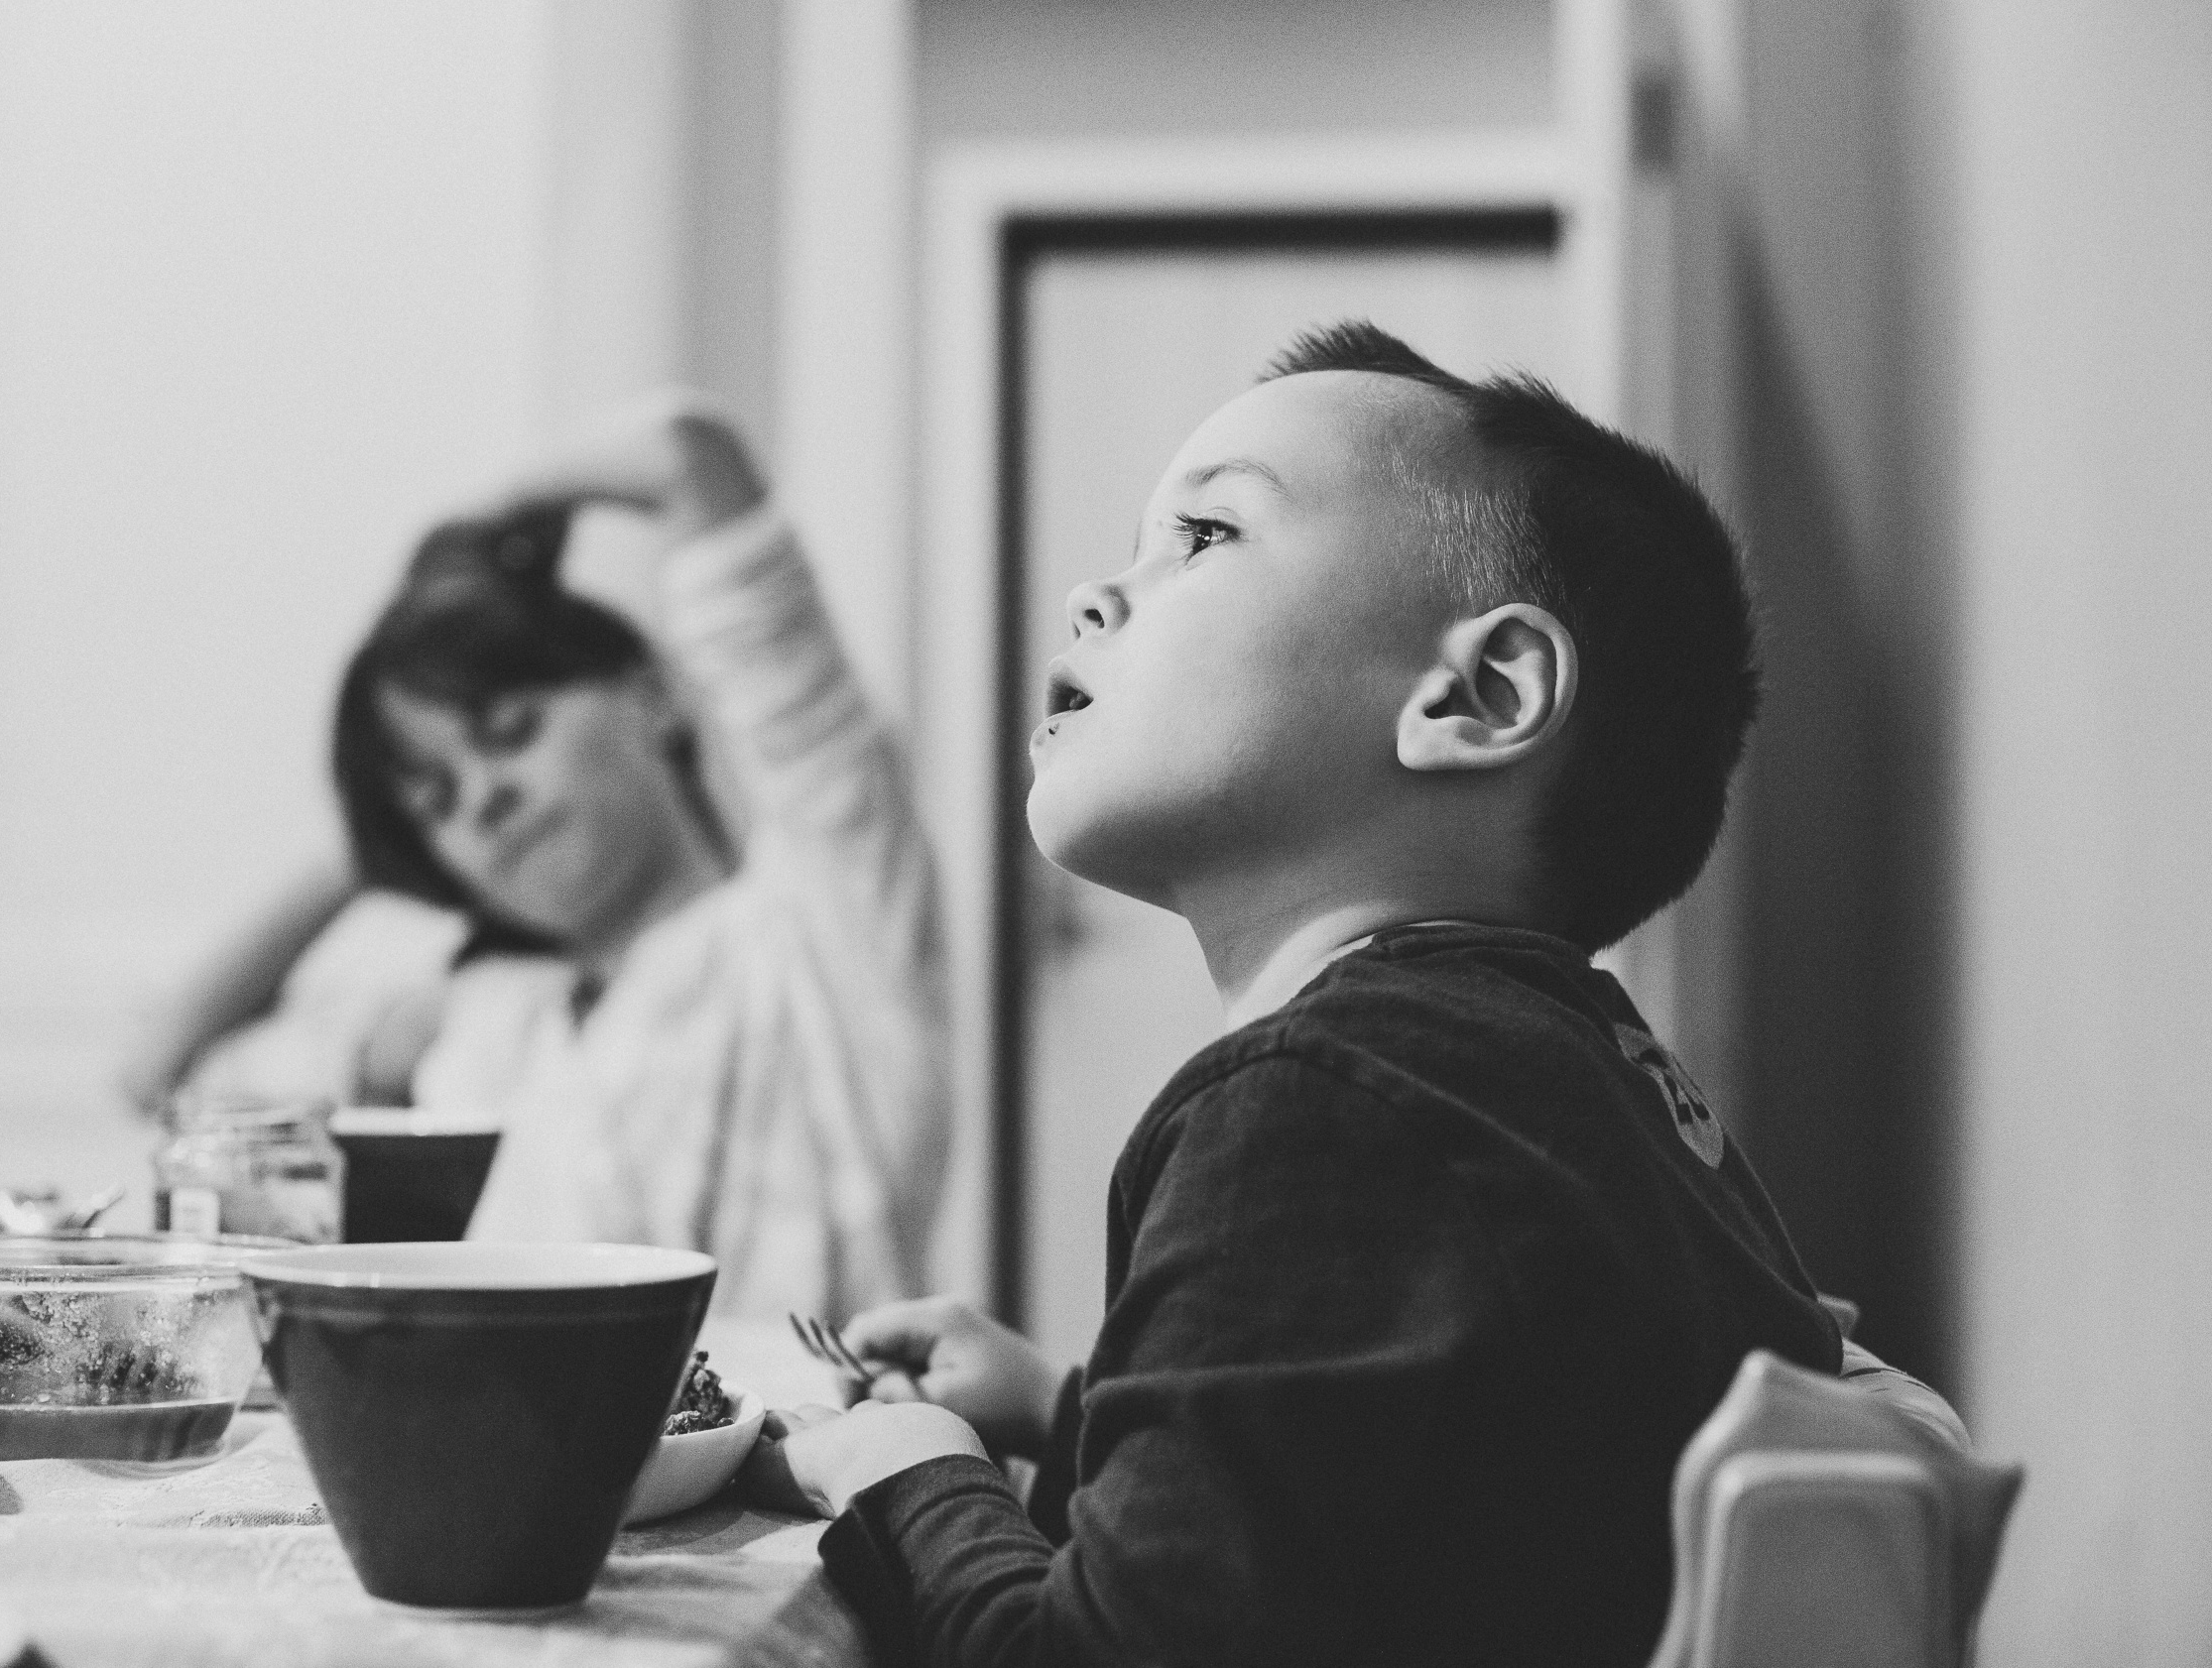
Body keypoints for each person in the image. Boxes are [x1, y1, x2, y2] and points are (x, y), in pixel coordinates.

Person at [749, 322, 1845, 1665]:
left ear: (1480, 692)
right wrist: (1066, 1402)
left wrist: (912, 1468)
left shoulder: (1330, 1099)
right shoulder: (1560, 1074)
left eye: (1205, 536)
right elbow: (1457, 1482)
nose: (1097, 590)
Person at [129, 402, 949, 1320]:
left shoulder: (823, 929)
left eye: (510, 729)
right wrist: (376, 847)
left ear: (653, 697)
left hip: (817, 1457)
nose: (482, 796)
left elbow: (688, 459)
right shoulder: (486, 1018)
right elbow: (168, 1079)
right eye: (438, 796)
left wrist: (486, 524)